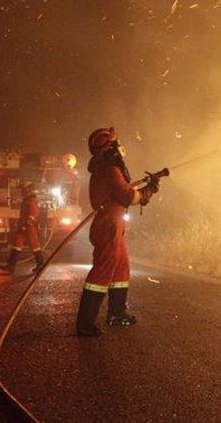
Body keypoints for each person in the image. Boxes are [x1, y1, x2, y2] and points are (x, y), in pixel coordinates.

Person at [76, 127, 158, 337]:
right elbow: (128, 196)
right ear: (109, 147)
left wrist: (146, 189)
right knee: (103, 271)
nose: (120, 147)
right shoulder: (109, 170)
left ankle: (117, 314)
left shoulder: (105, 169)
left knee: (121, 268)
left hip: (113, 223)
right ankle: (85, 323)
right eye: (116, 143)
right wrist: (148, 191)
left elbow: (123, 191)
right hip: (109, 225)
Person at [0, 182, 44, 273]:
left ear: (28, 190)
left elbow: (33, 213)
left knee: (34, 245)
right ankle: (10, 266)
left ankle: (41, 264)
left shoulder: (32, 200)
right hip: (23, 226)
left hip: (29, 227)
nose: (22, 191)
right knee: (16, 244)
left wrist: (27, 224)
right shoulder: (27, 200)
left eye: (24, 189)